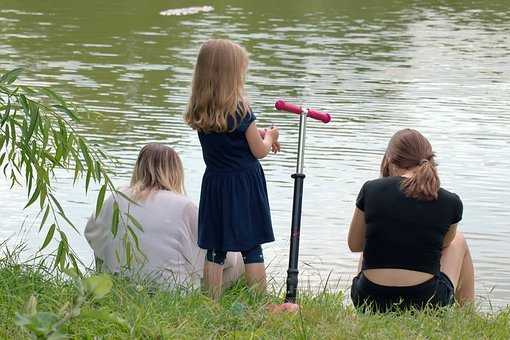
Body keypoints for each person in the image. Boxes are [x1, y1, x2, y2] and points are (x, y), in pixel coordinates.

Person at [185, 39, 280, 299]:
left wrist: (256, 134)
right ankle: (259, 303)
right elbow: (259, 151)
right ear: (232, 74)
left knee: (215, 247)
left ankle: (210, 303)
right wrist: (270, 136)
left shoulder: (201, 109)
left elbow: (228, 139)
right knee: (251, 245)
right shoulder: (241, 109)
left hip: (216, 182)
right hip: (244, 184)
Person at [84, 144, 243, 290]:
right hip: (171, 291)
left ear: (138, 168)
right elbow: (225, 258)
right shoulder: (184, 206)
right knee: (237, 257)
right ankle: (220, 299)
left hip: (118, 286)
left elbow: (91, 235)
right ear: (176, 172)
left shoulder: (116, 197)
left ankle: (106, 281)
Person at [348, 129, 475, 312]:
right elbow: (445, 244)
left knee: (371, 238)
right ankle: (467, 314)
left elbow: (354, 245)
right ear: (429, 161)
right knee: (458, 240)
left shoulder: (370, 189)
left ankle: (370, 308)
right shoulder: (450, 200)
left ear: (389, 160)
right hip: (427, 301)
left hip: (368, 298)